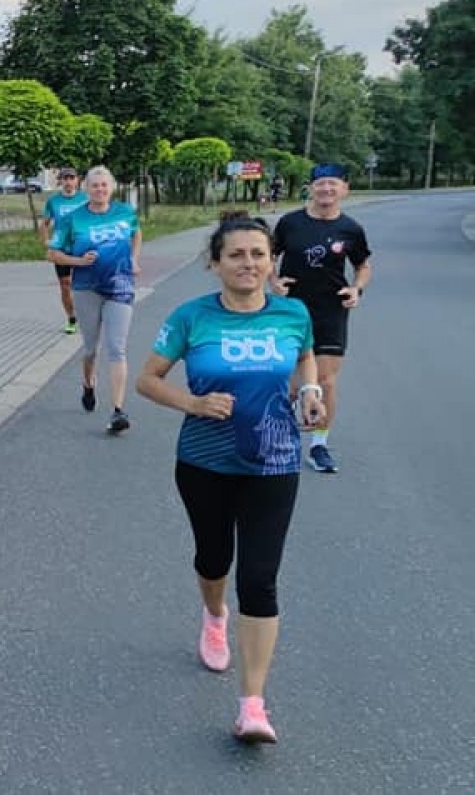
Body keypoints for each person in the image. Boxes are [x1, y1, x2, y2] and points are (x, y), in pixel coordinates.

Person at [136, 211, 326, 745]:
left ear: (271, 263)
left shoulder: (293, 314)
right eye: (236, 254)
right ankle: (213, 614)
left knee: (260, 580)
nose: (248, 263)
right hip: (204, 462)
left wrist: (309, 391)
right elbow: (148, 380)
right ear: (215, 263)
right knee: (213, 558)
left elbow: (306, 359)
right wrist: (192, 402)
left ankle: (252, 705)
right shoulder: (191, 317)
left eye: (258, 254)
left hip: (275, 462)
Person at [270, 162, 372, 473]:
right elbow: (267, 256)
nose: (326, 189)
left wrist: (356, 289)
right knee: (287, 381)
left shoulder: (351, 229)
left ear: (344, 189)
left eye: (333, 184)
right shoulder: (290, 223)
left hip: (330, 310)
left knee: (325, 381)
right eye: (320, 184)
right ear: (311, 188)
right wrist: (273, 281)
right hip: (291, 309)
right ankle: (275, 438)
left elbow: (364, 265)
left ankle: (319, 445)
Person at [48, 166, 142, 434]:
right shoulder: (73, 219)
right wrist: (78, 261)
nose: (100, 190)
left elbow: (136, 233)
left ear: (111, 187)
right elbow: (53, 253)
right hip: (86, 288)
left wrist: (134, 259)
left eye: (104, 185)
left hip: (120, 285)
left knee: (117, 349)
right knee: (91, 348)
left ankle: (118, 410)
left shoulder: (125, 213)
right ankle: (89, 384)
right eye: (95, 185)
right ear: (86, 189)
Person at [39, 168, 89, 334]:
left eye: (71, 178)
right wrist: (47, 242)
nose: (68, 182)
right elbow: (44, 224)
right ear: (60, 181)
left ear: (77, 180)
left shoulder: (85, 198)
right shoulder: (53, 201)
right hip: (62, 250)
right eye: (65, 178)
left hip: (81, 248)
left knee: (84, 286)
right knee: (65, 285)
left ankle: (88, 315)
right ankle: (71, 318)